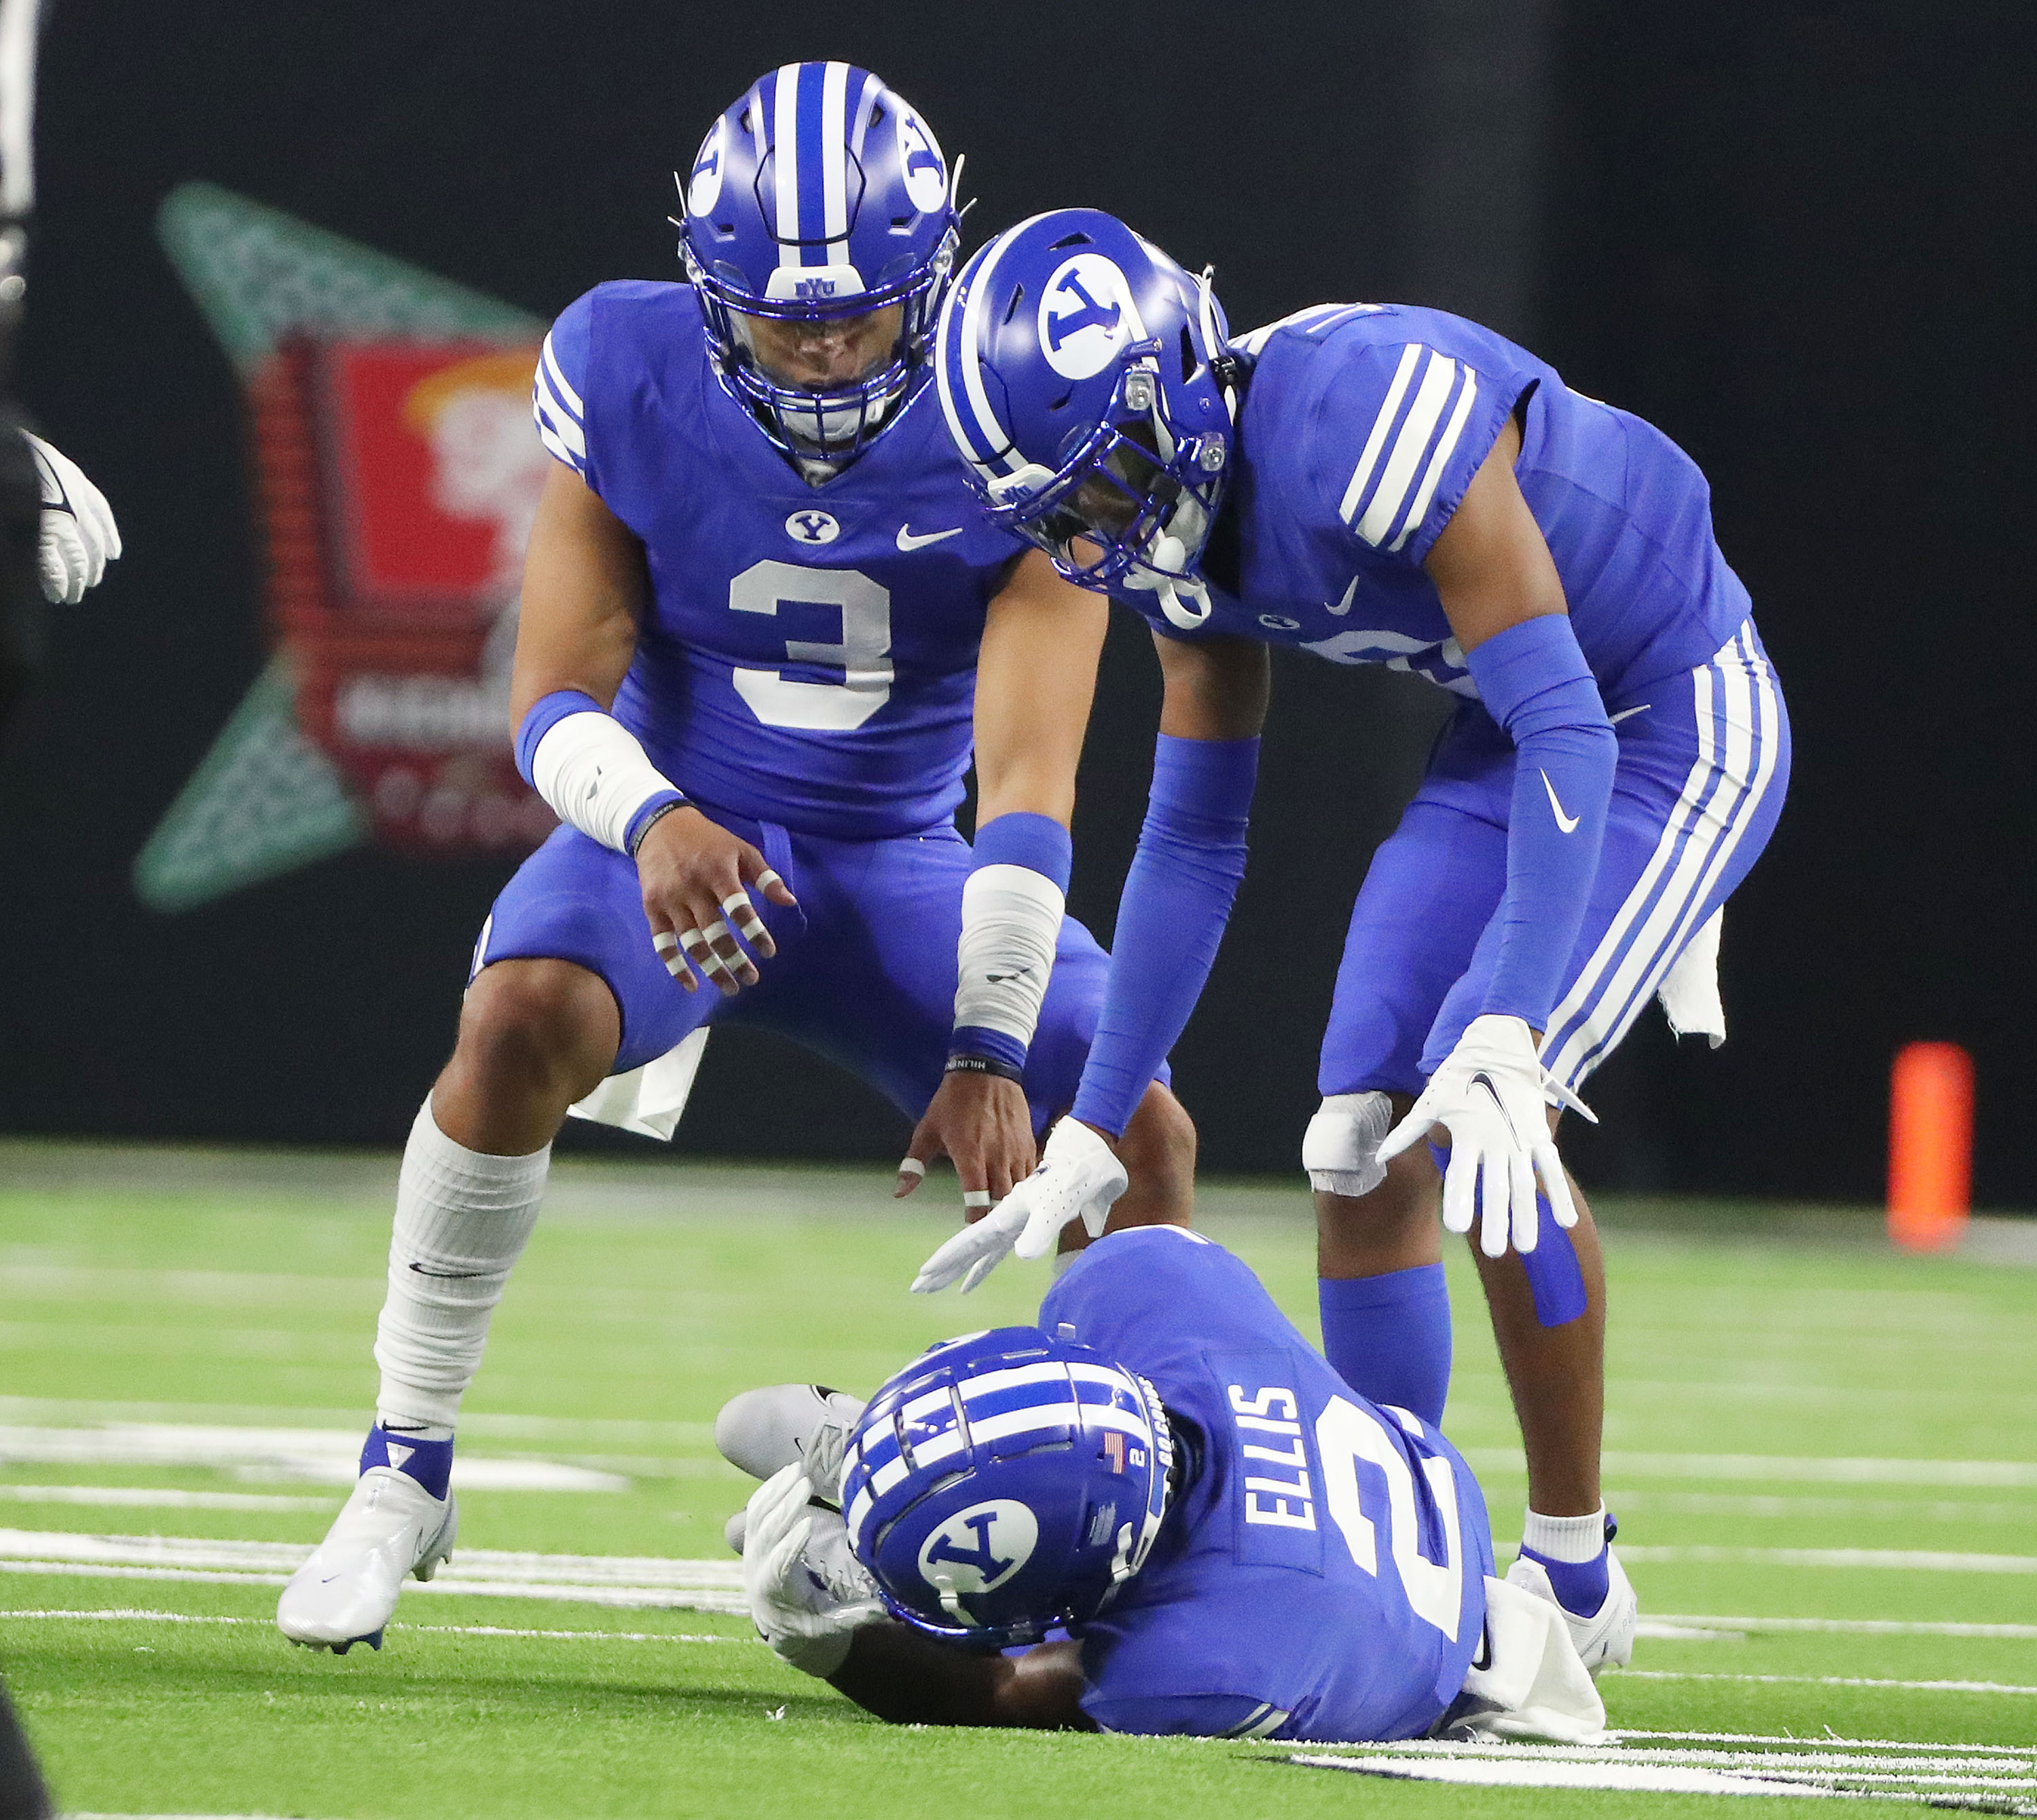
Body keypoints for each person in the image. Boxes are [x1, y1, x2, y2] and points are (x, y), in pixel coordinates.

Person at [275, 73, 1194, 1654]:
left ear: (937, 281)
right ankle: (403, 1468)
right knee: (515, 1022)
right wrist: (653, 820)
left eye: (859, 319)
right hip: (684, 837)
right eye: (783, 324)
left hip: (902, 855)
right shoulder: (625, 362)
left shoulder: (1020, 404)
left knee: (1137, 1127)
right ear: (711, 296)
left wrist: (987, 1039)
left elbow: (1030, 776)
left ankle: (1154, 1557)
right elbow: (553, 696)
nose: (827, 355)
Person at [915, 208, 1792, 1674]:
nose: (1092, 535)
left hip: (1661, 716)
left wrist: (1512, 1022)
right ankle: (1417, 1557)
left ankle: (1574, 1584)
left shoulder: (1363, 416)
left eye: (1105, 484)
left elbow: (1572, 719)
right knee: (1360, 1143)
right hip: (1515, 733)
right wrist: (1096, 1123)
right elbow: (1195, 833)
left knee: (1483, 1115)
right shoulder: (1141, 531)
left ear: (1181, 388)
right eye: (1056, 513)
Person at [724, 1225, 1604, 1743]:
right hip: (1419, 1492)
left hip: (1423, 1643)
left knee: (899, 1585)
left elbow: (1003, 1691)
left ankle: (921, 1528)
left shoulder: (1206, 1654)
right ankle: (928, 1467)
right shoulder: (1156, 1292)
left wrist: (834, 1644)